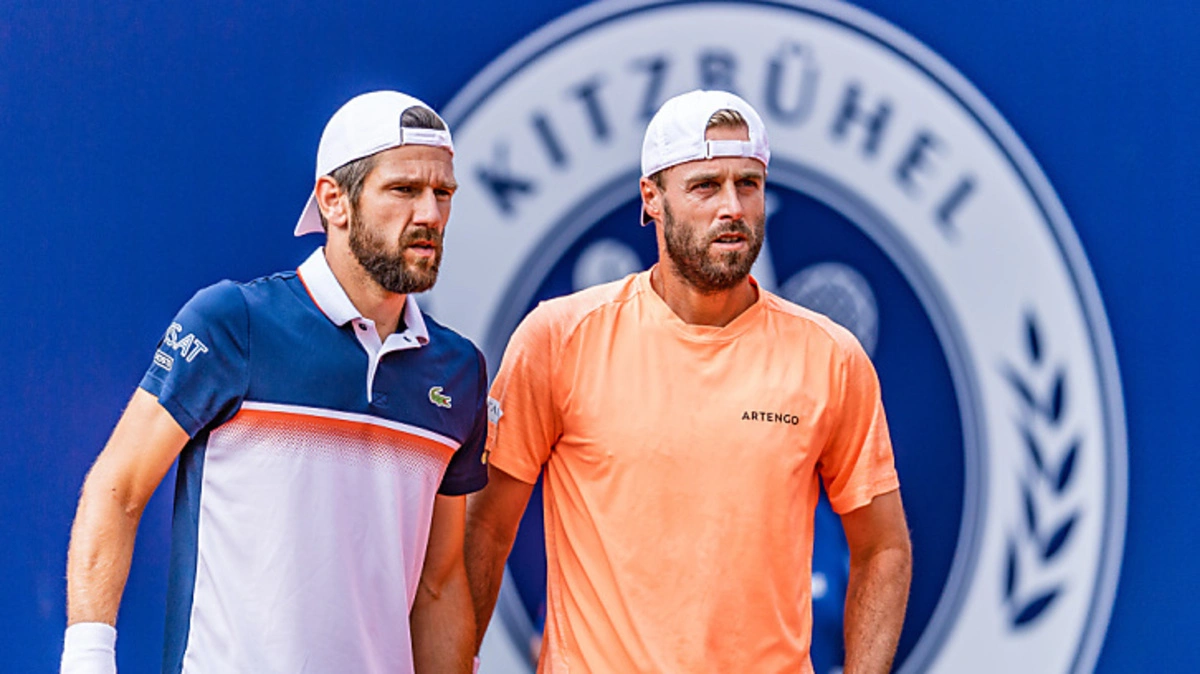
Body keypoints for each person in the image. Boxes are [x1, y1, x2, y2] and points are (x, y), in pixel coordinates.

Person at [465, 90, 912, 673]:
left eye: (748, 184)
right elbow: (483, 528)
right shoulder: (558, 338)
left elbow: (884, 548)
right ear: (651, 197)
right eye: (705, 186)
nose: (733, 207)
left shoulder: (831, 357)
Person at [62, 91, 486, 674]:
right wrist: (86, 660)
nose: (431, 215)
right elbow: (117, 489)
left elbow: (439, 584)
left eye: (443, 193)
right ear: (334, 200)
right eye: (404, 190)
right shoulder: (232, 322)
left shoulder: (458, 369)